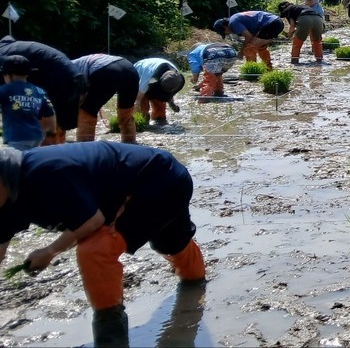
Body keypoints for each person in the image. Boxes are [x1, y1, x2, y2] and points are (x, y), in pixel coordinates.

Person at [0, 142, 206, 343]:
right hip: (138, 186)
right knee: (170, 243)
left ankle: (111, 339)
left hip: (161, 180)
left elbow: (92, 221)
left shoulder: (43, 173)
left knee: (95, 249)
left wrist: (50, 251)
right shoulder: (7, 197)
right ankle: (195, 285)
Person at [0, 37, 87, 145]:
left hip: (61, 81)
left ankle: (50, 153)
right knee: (57, 130)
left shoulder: (4, 58)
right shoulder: (37, 90)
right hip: (75, 78)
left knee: (47, 137)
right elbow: (49, 113)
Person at [71, 54, 141, 143]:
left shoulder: (67, 71)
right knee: (126, 114)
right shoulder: (73, 63)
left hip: (107, 70)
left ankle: (85, 148)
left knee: (86, 114)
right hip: (129, 69)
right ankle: (130, 144)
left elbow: (78, 96)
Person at [0, 56, 55, 151]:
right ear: (27, 74)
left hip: (17, 137)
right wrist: (51, 131)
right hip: (37, 136)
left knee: (18, 162)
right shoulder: (39, 91)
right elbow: (50, 114)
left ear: (8, 75)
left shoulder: (5, 89)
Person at [212, 10, 285, 69]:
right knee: (261, 47)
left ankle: (252, 71)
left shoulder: (233, 23)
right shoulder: (234, 19)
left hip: (272, 23)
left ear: (224, 26)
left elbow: (249, 37)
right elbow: (252, 36)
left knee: (249, 48)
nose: (227, 34)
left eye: (225, 32)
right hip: (276, 22)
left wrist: (241, 52)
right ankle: (268, 69)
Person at [134, 58, 184, 127]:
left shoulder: (176, 78)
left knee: (160, 110)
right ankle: (143, 125)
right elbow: (137, 100)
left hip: (157, 80)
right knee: (143, 107)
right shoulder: (148, 76)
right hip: (138, 76)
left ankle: (158, 125)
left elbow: (169, 91)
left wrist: (172, 104)